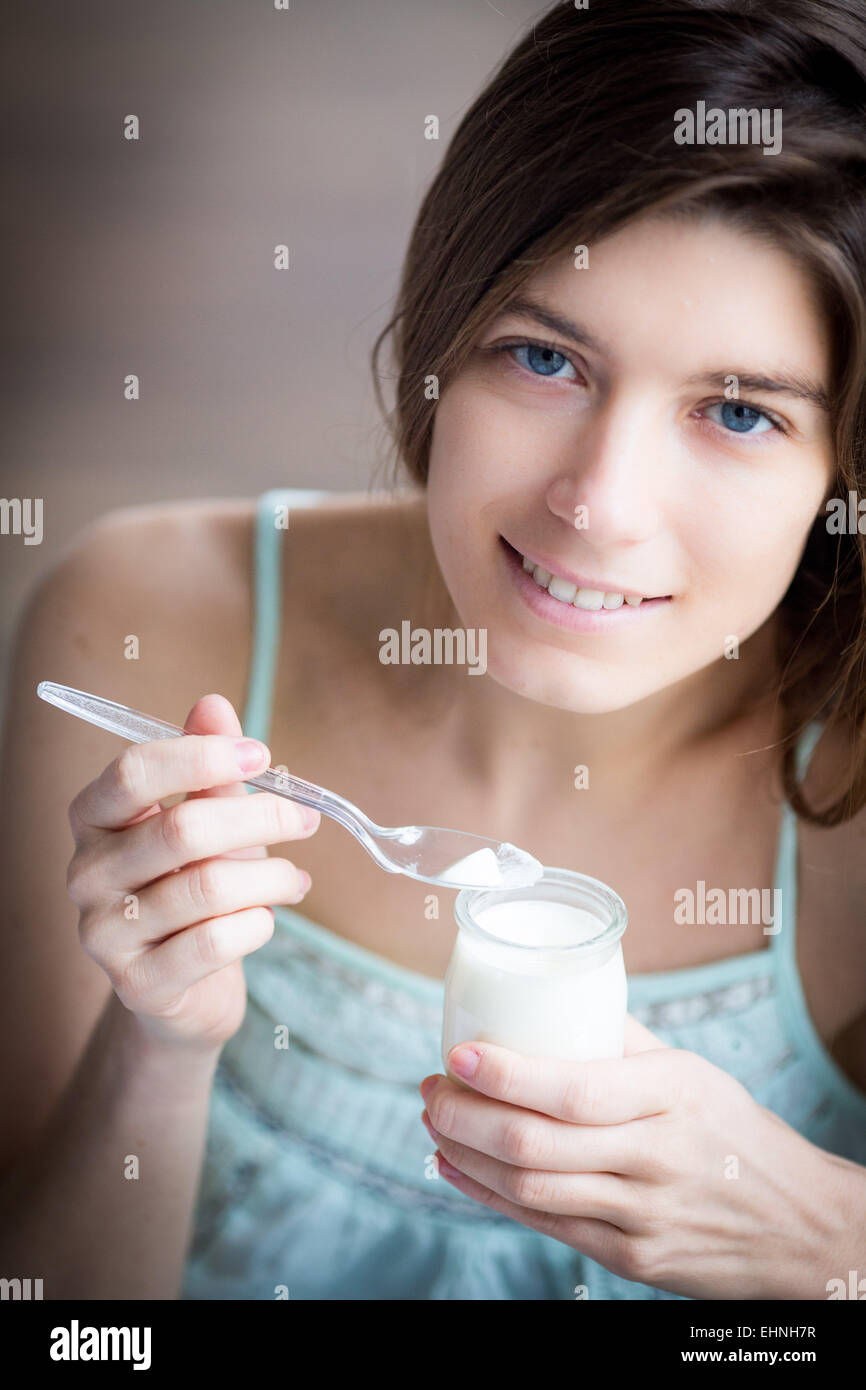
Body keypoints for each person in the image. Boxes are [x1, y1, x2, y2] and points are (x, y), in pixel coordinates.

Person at [1, 0, 865, 1300]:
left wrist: (825, 1242)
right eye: (543, 357)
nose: (598, 503)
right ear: (438, 335)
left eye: (736, 412)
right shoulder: (145, 614)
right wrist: (159, 1047)